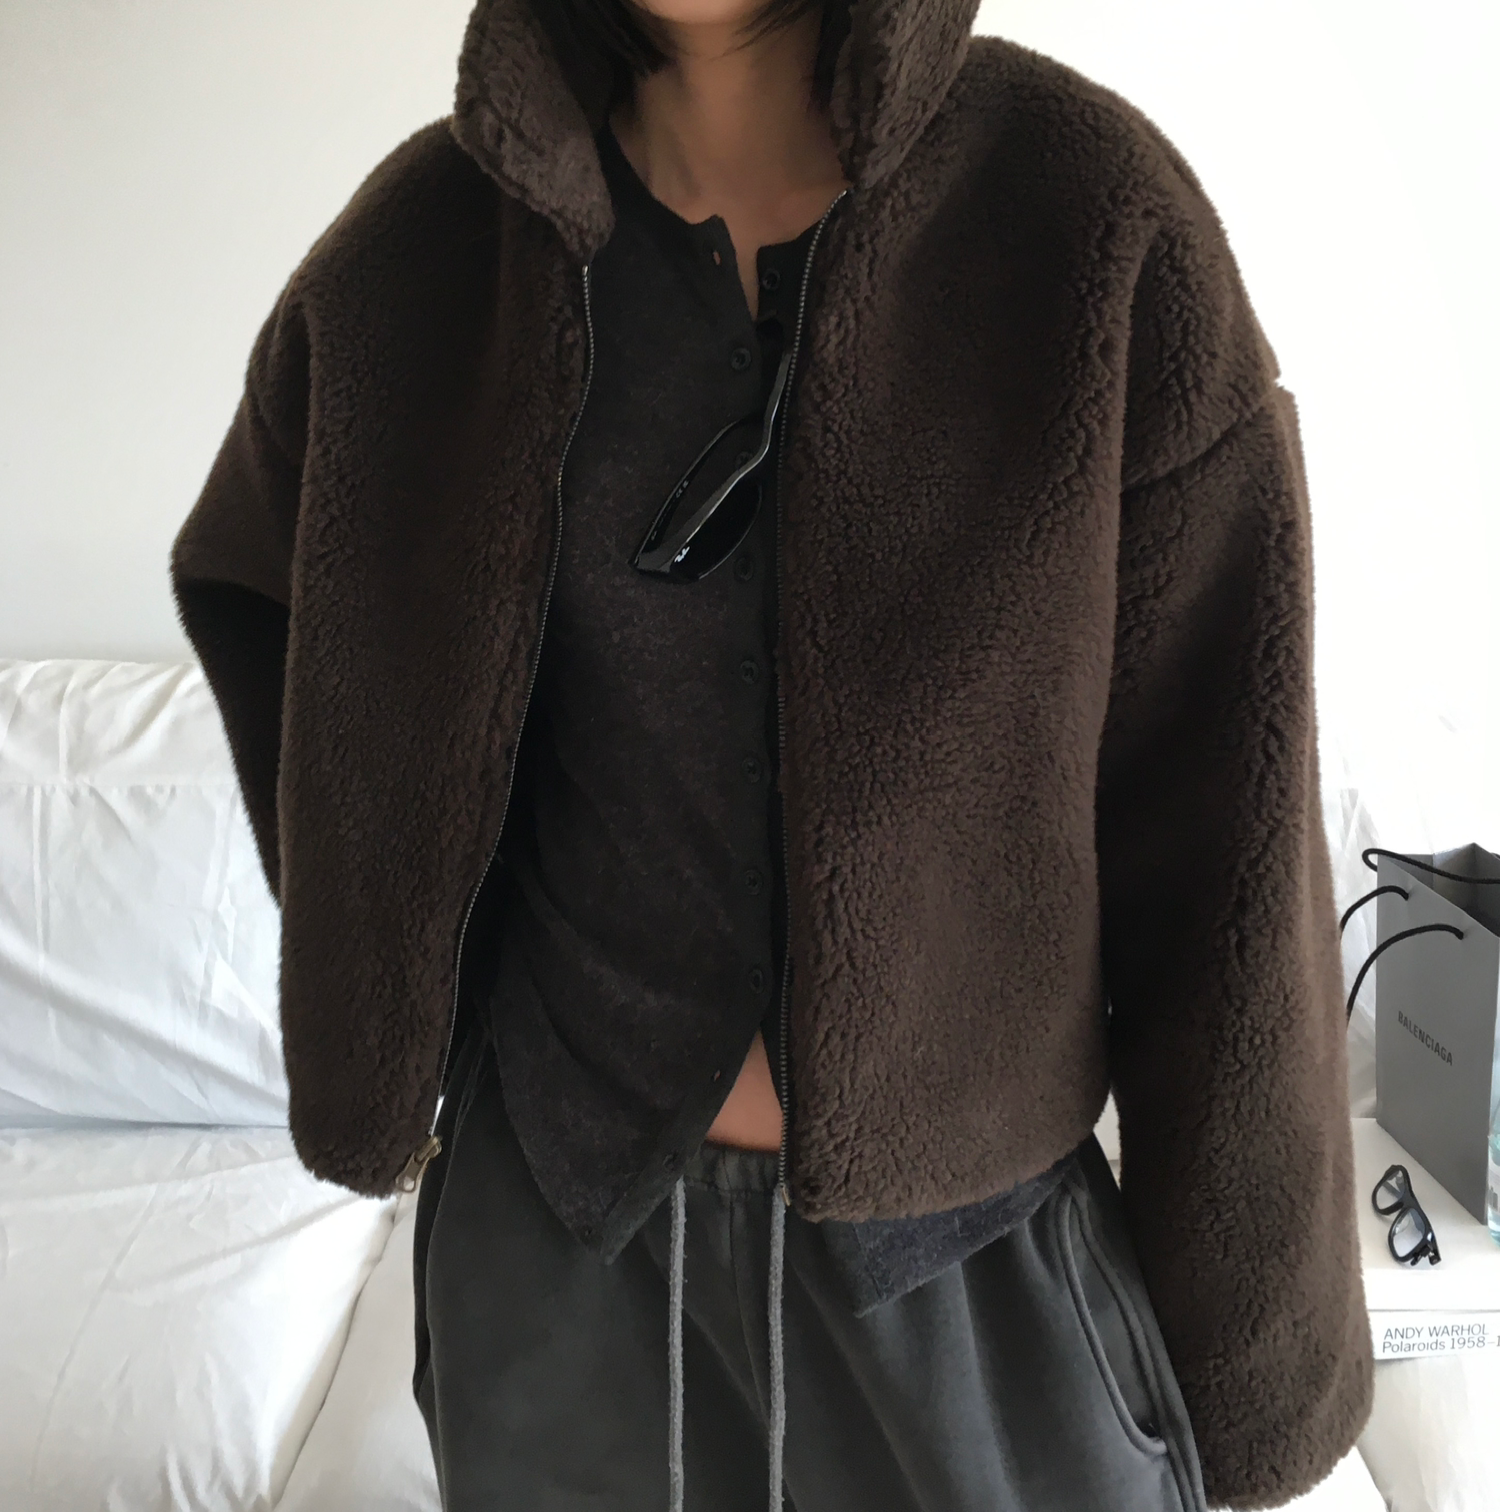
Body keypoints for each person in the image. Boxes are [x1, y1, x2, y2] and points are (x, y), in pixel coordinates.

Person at [168, 0, 1375, 1508]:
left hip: (970, 1278)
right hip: (558, 1261)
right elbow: (265, 584)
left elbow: (1228, 843)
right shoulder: (427, 257)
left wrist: (1253, 1357)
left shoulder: (1085, 218)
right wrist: (408, 981)